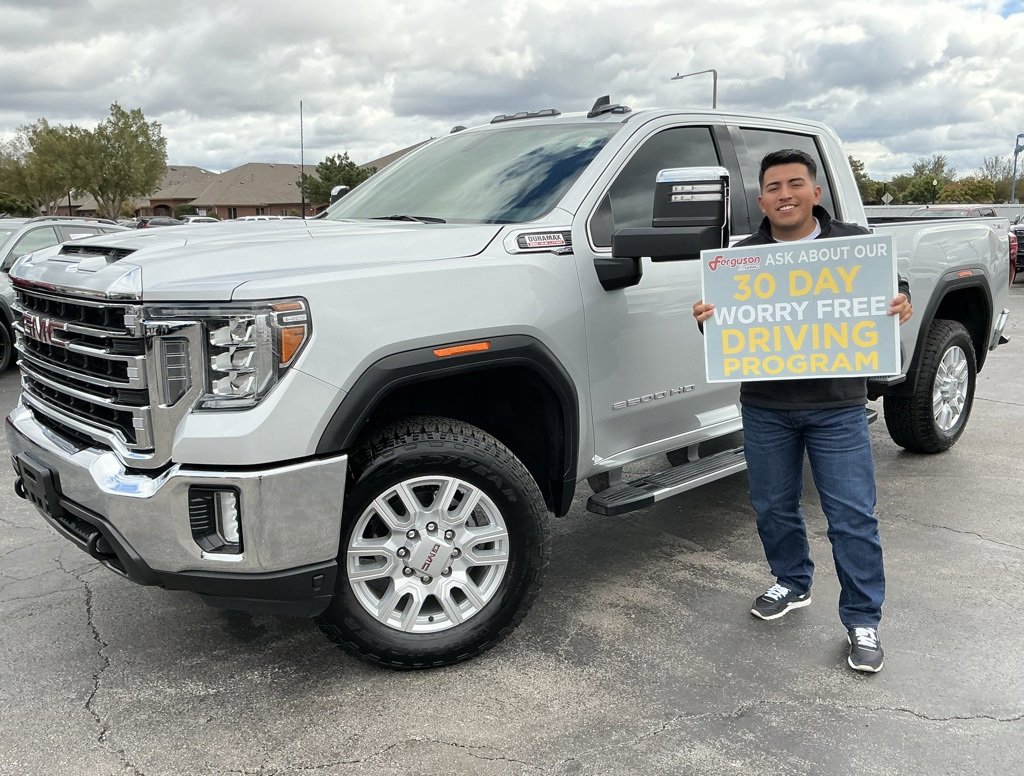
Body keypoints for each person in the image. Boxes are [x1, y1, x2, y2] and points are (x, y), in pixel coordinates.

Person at [692, 149, 912, 673]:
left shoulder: (854, 246)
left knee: (852, 517)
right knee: (772, 506)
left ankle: (863, 618)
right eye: (773, 187)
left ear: (816, 193)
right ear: (761, 199)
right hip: (766, 408)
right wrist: (708, 321)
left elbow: (891, 289)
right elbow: (725, 327)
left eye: (795, 184)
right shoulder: (739, 260)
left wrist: (899, 300)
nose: (784, 194)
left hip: (836, 408)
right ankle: (791, 583)